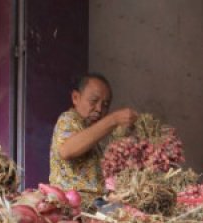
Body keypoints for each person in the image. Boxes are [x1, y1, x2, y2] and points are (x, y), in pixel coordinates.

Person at [49, 73, 137, 205]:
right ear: (75, 97)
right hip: (72, 207)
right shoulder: (68, 119)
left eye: (105, 104)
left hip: (99, 206)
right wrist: (113, 119)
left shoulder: (99, 132)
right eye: (94, 101)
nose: (99, 109)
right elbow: (67, 150)